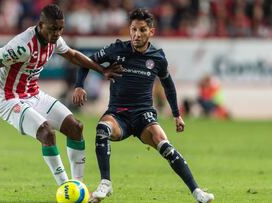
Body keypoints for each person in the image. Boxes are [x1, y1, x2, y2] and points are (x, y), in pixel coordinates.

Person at [0, 4, 122, 186]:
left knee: (75, 127)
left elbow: (73, 55)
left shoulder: (54, 39)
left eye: (61, 28)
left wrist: (102, 70)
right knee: (46, 133)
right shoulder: (22, 46)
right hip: (8, 98)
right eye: (53, 29)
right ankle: (65, 187)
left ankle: (78, 185)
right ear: (41, 24)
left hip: (33, 94)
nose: (58, 33)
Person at [73, 8, 215, 203]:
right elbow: (85, 62)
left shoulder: (157, 57)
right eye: (133, 29)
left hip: (144, 115)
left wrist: (176, 114)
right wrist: (80, 86)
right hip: (118, 114)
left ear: (151, 32)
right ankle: (105, 183)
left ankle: (197, 192)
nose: (136, 34)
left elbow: (168, 85)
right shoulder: (116, 49)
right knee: (102, 129)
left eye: (141, 30)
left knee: (165, 145)